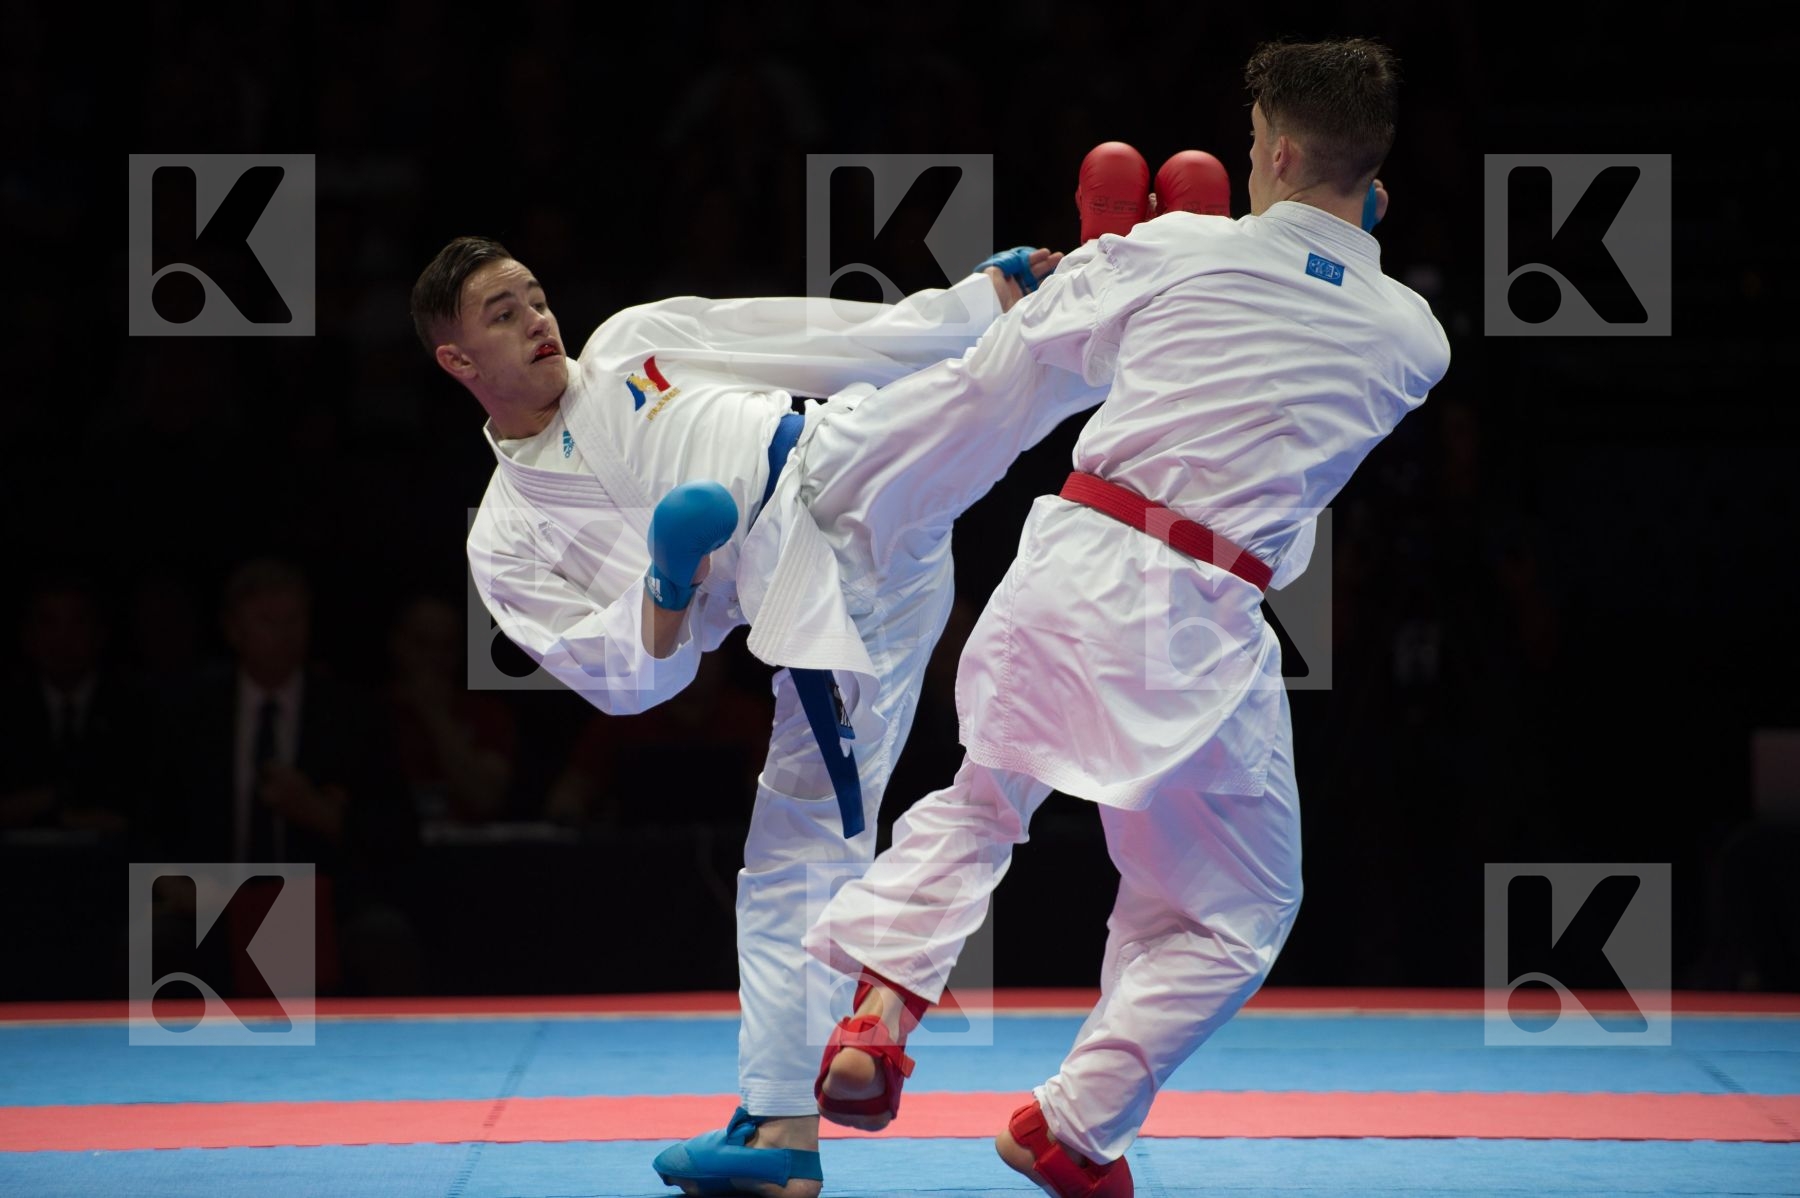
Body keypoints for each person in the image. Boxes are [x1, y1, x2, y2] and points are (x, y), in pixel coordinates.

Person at [802, 38, 1450, 1198]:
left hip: (1078, 552)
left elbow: (1023, 366)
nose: (1246, 169)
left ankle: (878, 1010)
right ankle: (1074, 1122)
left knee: (987, 796)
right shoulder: (1419, 340)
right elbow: (1308, 311)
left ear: (1285, 150)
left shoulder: (1177, 249)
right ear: (1375, 180)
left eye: (1255, 150)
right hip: (1206, 613)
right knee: (1236, 905)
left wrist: (1105, 257)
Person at [412, 234, 1103, 1197]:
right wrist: (667, 580)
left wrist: (980, 298)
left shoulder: (630, 341)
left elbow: (817, 338)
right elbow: (627, 681)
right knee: (796, 846)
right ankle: (781, 1122)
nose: (537, 319)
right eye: (502, 313)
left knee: (995, 381)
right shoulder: (507, 536)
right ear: (456, 360)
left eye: (534, 296)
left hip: (833, 457)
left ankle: (1143, 282)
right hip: (817, 592)